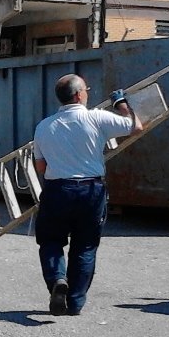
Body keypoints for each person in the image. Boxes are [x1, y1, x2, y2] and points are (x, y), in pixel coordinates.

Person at [31, 74, 142, 316]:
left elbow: (41, 168)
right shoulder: (96, 118)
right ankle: (76, 302)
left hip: (57, 190)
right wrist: (121, 103)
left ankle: (57, 279)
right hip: (91, 190)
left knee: (50, 241)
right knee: (85, 246)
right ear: (79, 94)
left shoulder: (43, 126)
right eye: (86, 90)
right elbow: (135, 126)